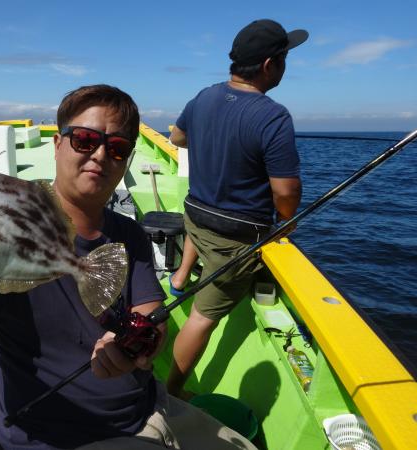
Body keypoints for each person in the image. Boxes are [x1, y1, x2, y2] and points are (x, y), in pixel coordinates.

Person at [0, 84, 257, 449]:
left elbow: (151, 313)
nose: (100, 154)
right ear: (57, 145)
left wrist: (136, 343)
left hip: (148, 408)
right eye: (85, 139)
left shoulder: (129, 233)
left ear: (127, 160)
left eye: (117, 148)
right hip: (57, 439)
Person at [166, 19, 306, 399]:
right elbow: (286, 191)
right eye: (284, 59)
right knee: (202, 319)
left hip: (196, 214)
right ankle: (172, 391)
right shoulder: (273, 116)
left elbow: (176, 137)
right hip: (233, 238)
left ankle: (179, 279)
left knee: (199, 223)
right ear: (269, 65)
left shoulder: (204, 96)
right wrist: (286, 220)